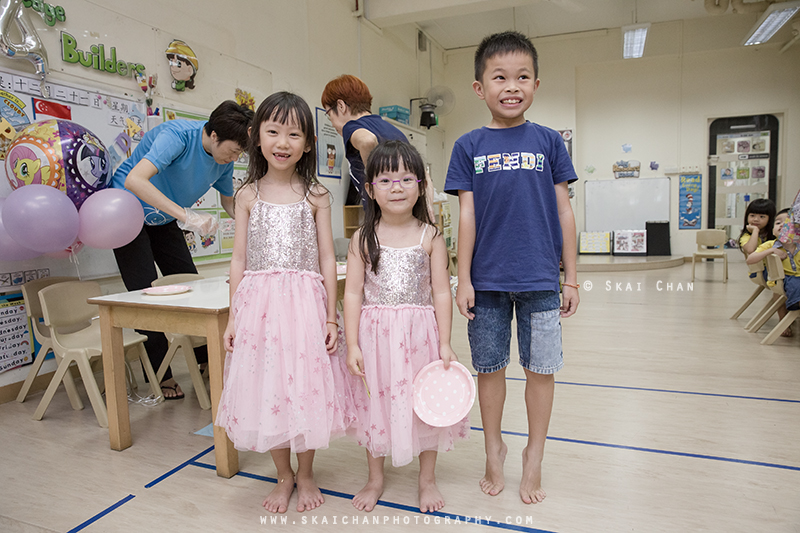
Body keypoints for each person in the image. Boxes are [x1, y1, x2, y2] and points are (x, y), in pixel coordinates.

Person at [444, 31, 579, 504]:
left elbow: (564, 210)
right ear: (479, 87)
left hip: (540, 278)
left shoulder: (549, 142)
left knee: (541, 370)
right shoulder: (468, 145)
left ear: (536, 84)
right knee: (490, 368)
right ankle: (494, 448)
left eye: (522, 77)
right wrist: (463, 277)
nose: (511, 86)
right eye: (499, 77)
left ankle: (534, 455)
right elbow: (466, 214)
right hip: (487, 281)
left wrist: (571, 277)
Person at [214, 92, 355, 513]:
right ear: (256, 137)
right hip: (258, 308)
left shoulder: (316, 195)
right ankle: (283, 475)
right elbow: (238, 259)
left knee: (305, 388)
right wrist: (233, 317)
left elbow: (327, 258)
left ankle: (306, 473)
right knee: (269, 387)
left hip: (305, 307)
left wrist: (330, 317)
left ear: (308, 143)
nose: (282, 142)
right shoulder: (247, 195)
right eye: (273, 131)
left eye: (294, 134)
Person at [344, 140, 468, 513]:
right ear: (370, 190)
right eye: (385, 180)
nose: (396, 188)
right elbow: (352, 293)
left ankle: (426, 479)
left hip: (419, 336)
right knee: (376, 403)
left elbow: (441, 292)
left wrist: (444, 342)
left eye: (405, 179)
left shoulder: (430, 236)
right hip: (375, 337)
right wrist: (353, 344)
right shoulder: (363, 238)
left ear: (420, 186)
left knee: (424, 404)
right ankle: (375, 478)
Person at [111, 100, 253, 399]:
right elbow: (135, 180)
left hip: (163, 218)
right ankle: (161, 375)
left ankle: (205, 360)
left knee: (190, 286)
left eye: (240, 153)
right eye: (233, 151)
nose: (234, 158)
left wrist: (254, 225)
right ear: (214, 135)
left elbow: (229, 203)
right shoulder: (176, 137)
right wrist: (187, 216)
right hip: (126, 213)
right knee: (145, 294)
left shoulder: (223, 160)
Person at [321, 74, 408, 207]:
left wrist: (376, 183)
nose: (332, 123)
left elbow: (367, 141)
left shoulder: (351, 127)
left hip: (384, 214)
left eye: (329, 114)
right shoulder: (394, 131)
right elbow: (422, 175)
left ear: (341, 106)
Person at [746, 208, 799, 337]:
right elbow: (750, 259)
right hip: (783, 280)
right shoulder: (770, 245)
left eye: (788, 223)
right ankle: (792, 309)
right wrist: (770, 251)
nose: (782, 225)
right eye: (778, 223)